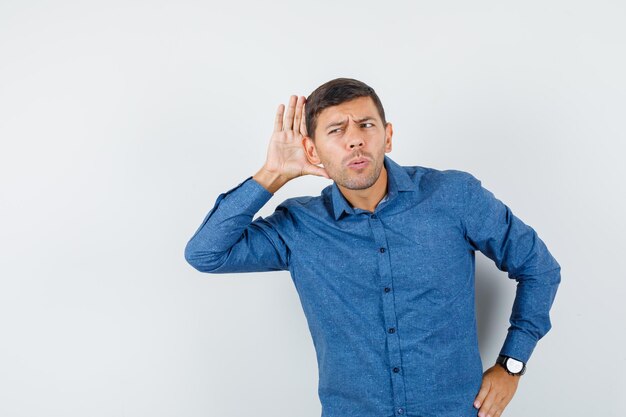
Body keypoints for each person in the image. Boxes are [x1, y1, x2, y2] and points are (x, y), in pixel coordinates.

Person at [184, 78, 561, 417]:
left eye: (366, 125)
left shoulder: (454, 196)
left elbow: (539, 268)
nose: (355, 139)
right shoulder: (297, 228)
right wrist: (273, 174)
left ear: (388, 135)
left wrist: (512, 364)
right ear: (313, 152)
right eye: (336, 130)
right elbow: (206, 254)